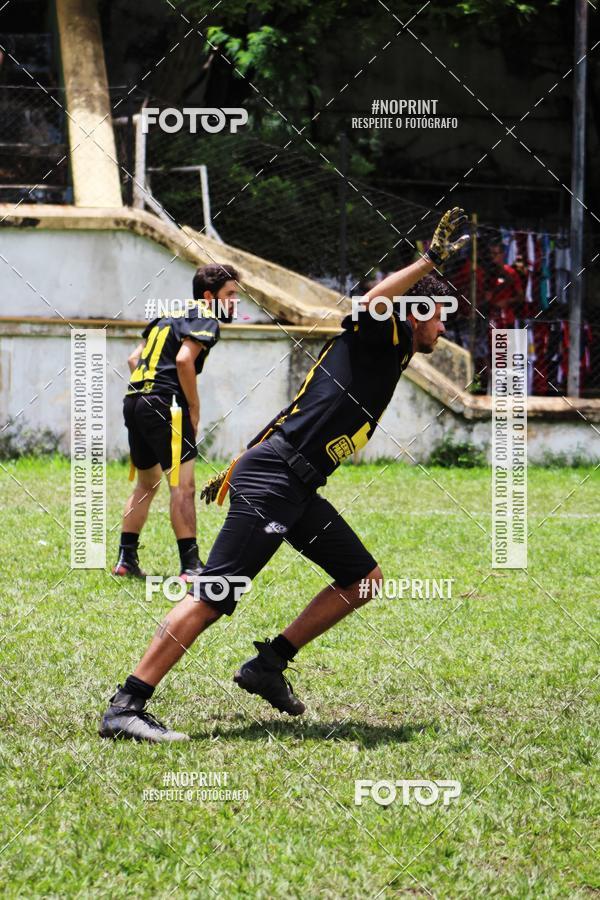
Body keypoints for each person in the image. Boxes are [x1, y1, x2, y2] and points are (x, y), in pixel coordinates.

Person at [99, 208, 469, 743]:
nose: (444, 326)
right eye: (439, 316)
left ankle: (268, 664)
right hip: (278, 479)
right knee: (213, 594)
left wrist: (240, 461)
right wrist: (428, 262)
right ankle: (127, 705)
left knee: (362, 579)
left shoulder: (390, 357)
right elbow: (373, 301)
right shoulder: (375, 334)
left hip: (293, 482)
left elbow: (301, 407)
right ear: (414, 311)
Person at [112, 263, 239, 582]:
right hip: (166, 404)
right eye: (230, 295)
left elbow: (133, 359)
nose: (235, 302)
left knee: (146, 482)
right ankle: (191, 567)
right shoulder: (206, 317)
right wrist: (193, 408)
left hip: (135, 399)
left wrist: (149, 395)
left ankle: (125, 560)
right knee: (183, 486)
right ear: (209, 296)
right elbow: (183, 360)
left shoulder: (167, 316)